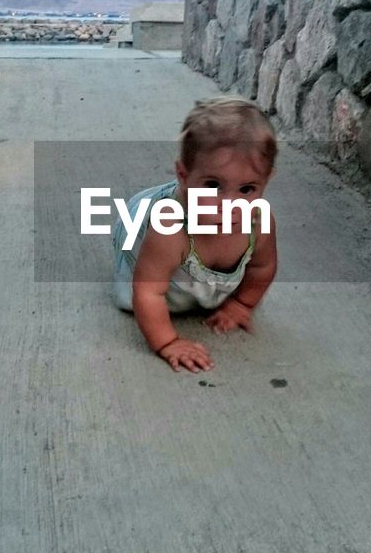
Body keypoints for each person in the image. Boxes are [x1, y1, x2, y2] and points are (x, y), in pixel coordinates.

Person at [112, 97, 278, 372]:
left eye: (247, 189)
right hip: (138, 233)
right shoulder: (170, 229)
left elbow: (263, 268)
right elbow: (148, 291)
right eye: (212, 185)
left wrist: (241, 304)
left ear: (266, 180)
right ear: (183, 174)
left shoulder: (259, 220)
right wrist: (167, 342)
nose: (229, 205)